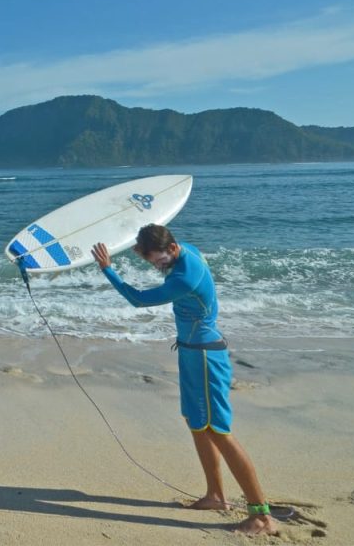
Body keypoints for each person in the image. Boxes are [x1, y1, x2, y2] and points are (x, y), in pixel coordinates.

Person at [91, 224, 277, 536]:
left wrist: (108, 269)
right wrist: (141, 246)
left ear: (173, 248)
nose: (157, 266)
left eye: (159, 260)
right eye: (151, 261)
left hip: (205, 357)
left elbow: (138, 299)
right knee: (196, 422)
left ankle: (261, 515)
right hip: (191, 352)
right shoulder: (184, 250)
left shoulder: (184, 278)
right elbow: (158, 245)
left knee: (218, 430)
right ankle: (215, 496)